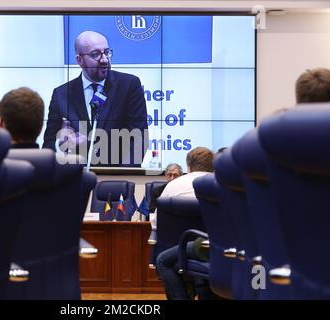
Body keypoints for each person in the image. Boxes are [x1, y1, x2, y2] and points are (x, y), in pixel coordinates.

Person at [42, 30, 148, 167]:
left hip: (116, 181)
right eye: (96, 54)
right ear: (79, 60)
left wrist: (121, 176)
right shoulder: (61, 94)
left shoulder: (128, 85)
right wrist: (61, 144)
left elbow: (139, 138)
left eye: (107, 52)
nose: (104, 60)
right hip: (74, 179)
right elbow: (49, 145)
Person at [153, 147, 215, 300]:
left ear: (189, 167)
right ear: (212, 166)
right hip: (214, 250)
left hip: (178, 250)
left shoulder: (172, 186)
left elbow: (156, 224)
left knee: (162, 261)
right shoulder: (220, 184)